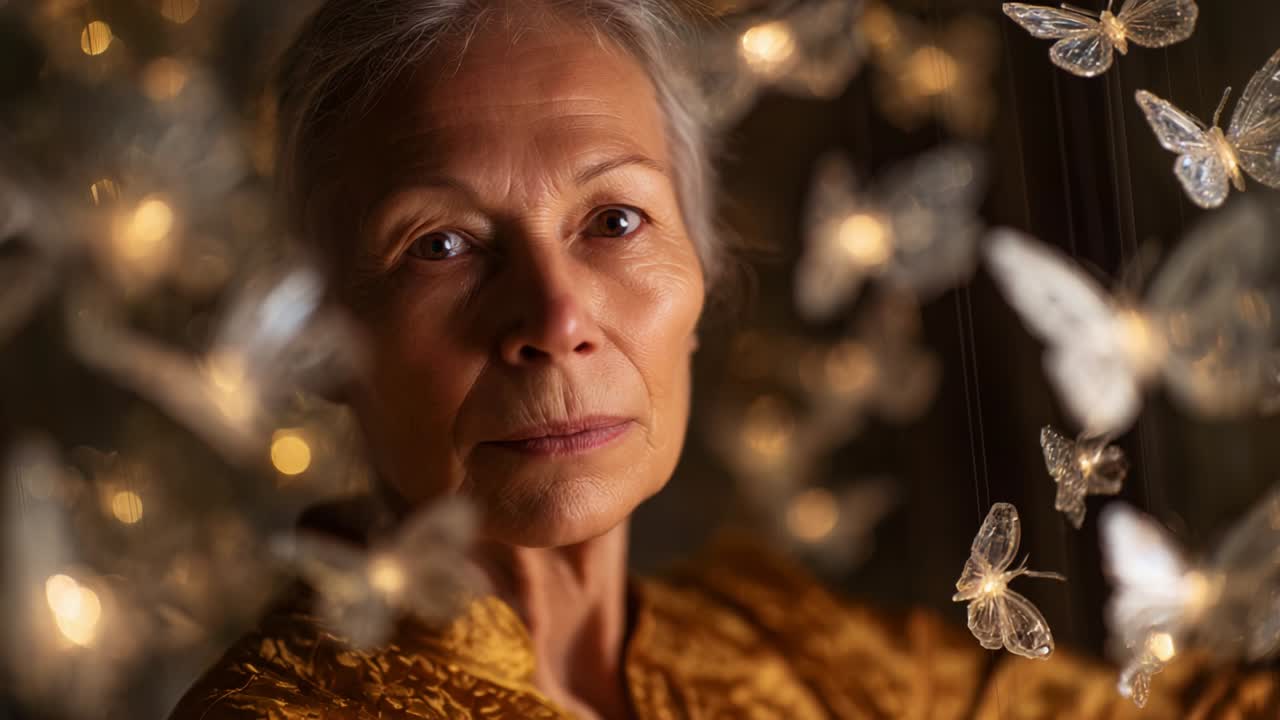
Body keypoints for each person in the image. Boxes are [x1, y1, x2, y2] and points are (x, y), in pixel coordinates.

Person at [169, 1, 1278, 717]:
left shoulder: (772, 634)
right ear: (311, 333)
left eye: (615, 221)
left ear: (699, 277)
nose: (555, 317)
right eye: (442, 245)